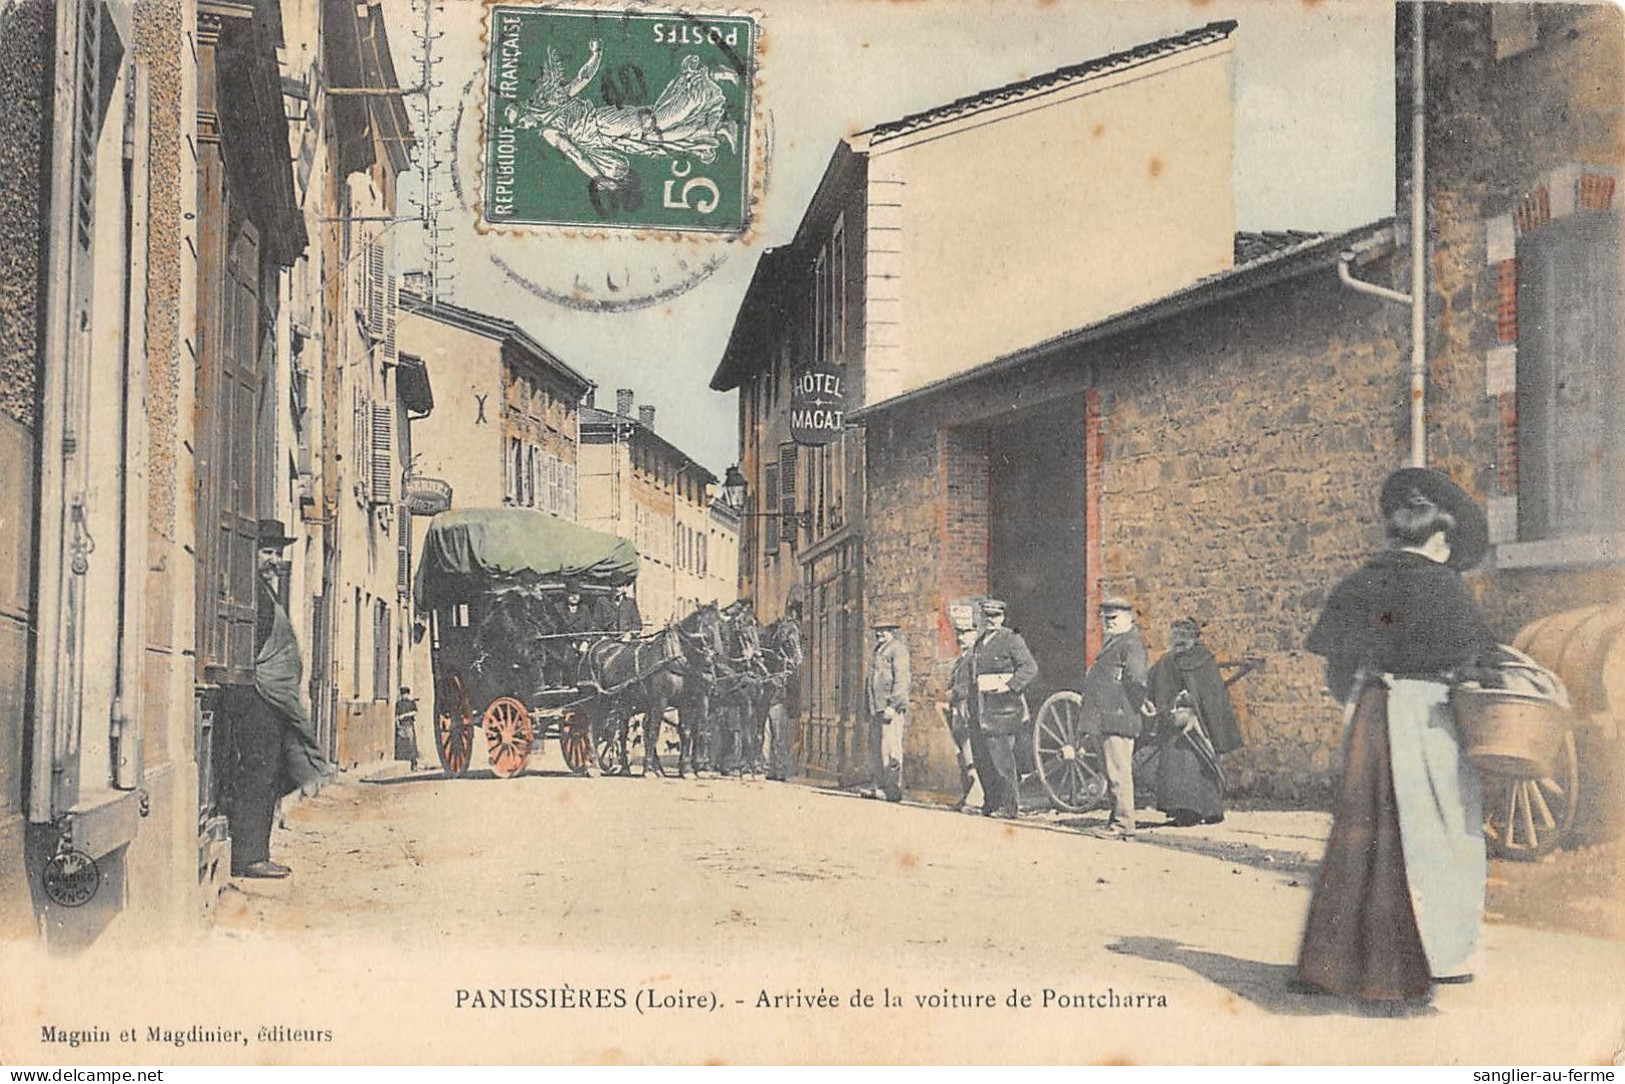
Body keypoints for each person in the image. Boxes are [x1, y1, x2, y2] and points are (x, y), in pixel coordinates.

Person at [1296, 467, 1499, 1002]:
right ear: (1439, 536)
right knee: (1442, 828)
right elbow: (1480, 666)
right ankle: (1441, 954)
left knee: (1361, 833)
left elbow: (1336, 669)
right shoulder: (1445, 589)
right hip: (1428, 717)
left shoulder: (1360, 582)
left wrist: (1365, 699)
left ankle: (1339, 961)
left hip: (1369, 713)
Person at [223, 519, 330, 879]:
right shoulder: (251, 593)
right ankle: (250, 856)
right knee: (259, 773)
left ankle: (255, 851)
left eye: (278, 554)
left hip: (270, 698)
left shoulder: (266, 591)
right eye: (267, 552)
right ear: (251, 553)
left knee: (271, 772)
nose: (274, 560)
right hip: (256, 697)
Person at [1147, 619, 1244, 827]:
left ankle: (1193, 813)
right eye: (1175, 636)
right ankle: (1206, 811)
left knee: (1190, 765)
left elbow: (1212, 696)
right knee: (1192, 766)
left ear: (1193, 638)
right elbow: (1153, 681)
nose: (1178, 641)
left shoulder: (1201, 660)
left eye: (1182, 636)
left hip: (1190, 726)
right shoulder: (1171, 660)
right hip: (1180, 722)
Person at [1082, 595, 1153, 840]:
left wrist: (1132, 706)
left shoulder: (1130, 644)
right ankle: (1116, 821)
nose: (1108, 623)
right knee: (1111, 771)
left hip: (1118, 717)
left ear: (1128, 618)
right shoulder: (1116, 642)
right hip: (1107, 717)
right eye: (1105, 619)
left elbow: (1137, 680)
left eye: (1113, 619)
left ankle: (1124, 825)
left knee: (1119, 773)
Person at [970, 599, 1038, 819]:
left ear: (1002, 617)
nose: (990, 620)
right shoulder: (980, 642)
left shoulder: (1011, 639)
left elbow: (1029, 667)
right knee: (983, 758)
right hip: (980, 707)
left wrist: (1008, 686)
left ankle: (1009, 807)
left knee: (1002, 760)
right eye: (986, 616)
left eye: (995, 616)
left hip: (1003, 709)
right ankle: (991, 802)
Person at [864, 619, 910, 802]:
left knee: (891, 749)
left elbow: (902, 680)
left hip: (890, 707)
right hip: (877, 707)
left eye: (884, 630)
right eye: (877, 630)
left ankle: (892, 790)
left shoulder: (898, 650)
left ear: (892, 631)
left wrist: (893, 705)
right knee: (878, 748)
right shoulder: (878, 650)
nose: (879, 634)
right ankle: (880, 785)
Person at [945, 623, 986, 813]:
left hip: (968, 709)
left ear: (975, 636)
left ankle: (976, 799)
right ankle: (967, 795)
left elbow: (972, 685)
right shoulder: (961, 659)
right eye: (960, 634)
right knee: (961, 754)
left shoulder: (974, 659)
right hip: (956, 709)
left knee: (971, 756)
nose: (962, 638)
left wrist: (954, 692)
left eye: (967, 634)